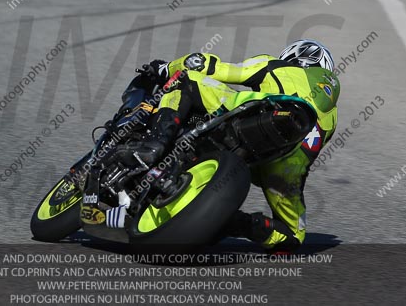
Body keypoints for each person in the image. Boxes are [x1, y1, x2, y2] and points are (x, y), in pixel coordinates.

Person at [119, 39, 340, 251]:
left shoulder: (277, 65)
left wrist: (166, 68)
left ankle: (153, 144)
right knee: (292, 237)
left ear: (293, 55)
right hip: (286, 164)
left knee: (186, 79)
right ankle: (232, 222)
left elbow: (211, 66)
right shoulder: (332, 117)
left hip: (260, 114)